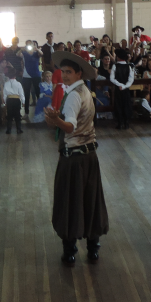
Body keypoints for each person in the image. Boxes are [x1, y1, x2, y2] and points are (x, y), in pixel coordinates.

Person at [43, 52, 108, 265]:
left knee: (70, 202)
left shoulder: (73, 95)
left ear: (78, 73)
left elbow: (70, 127)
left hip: (74, 158)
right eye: (62, 72)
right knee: (90, 201)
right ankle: (93, 249)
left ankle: (70, 252)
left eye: (69, 72)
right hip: (90, 156)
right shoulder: (85, 91)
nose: (64, 76)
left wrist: (55, 121)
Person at [110, 48, 134, 130]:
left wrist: (120, 85)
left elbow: (112, 78)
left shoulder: (115, 66)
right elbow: (131, 79)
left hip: (118, 89)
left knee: (118, 105)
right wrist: (124, 86)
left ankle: (120, 123)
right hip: (126, 89)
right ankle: (126, 123)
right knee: (126, 105)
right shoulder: (129, 67)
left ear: (118, 57)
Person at [21, 40, 43, 117]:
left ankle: (41, 111)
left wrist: (36, 49)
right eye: (27, 44)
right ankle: (26, 112)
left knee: (38, 93)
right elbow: (17, 54)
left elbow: (42, 54)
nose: (29, 46)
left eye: (30, 44)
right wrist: (22, 49)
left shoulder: (36, 53)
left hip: (36, 75)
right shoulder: (24, 53)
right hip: (26, 76)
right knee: (26, 94)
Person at [3, 66, 25, 134]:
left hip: (9, 100)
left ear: (8, 75)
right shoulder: (18, 84)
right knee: (17, 115)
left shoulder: (6, 84)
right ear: (15, 75)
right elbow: (21, 94)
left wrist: (5, 102)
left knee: (9, 115)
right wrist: (23, 101)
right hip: (16, 100)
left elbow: (4, 94)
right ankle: (19, 129)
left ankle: (8, 130)